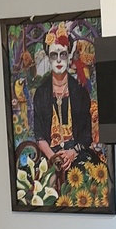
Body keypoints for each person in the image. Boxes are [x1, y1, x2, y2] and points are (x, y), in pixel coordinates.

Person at [32, 22, 92, 170]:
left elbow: (87, 135)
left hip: (76, 154)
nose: (59, 60)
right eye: (54, 55)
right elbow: (39, 135)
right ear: (48, 58)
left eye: (63, 54)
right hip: (50, 156)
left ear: (69, 56)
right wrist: (53, 157)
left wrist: (72, 153)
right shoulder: (41, 93)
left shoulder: (80, 91)